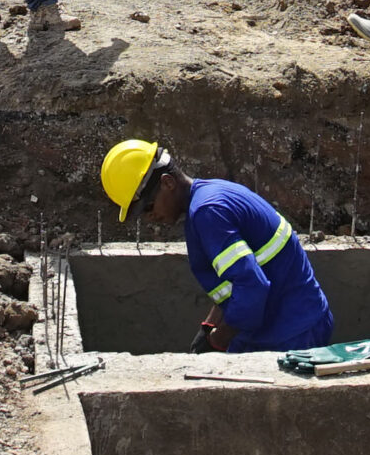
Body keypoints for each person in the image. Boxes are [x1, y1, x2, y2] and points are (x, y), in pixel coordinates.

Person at [97, 140, 334, 353]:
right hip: (290, 321)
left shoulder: (207, 213)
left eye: (148, 207)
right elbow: (236, 279)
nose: (149, 218)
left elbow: (252, 285)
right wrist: (209, 325)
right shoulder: (208, 197)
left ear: (167, 183)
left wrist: (218, 340)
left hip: (291, 333)